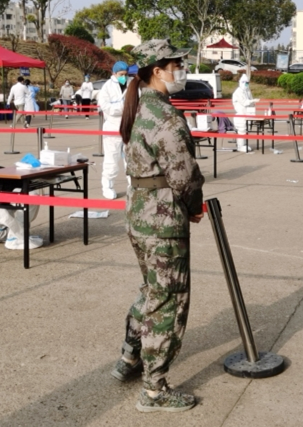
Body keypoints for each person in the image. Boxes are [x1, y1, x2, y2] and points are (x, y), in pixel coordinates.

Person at [113, 38, 204, 413]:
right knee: (168, 299)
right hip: (164, 218)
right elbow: (184, 176)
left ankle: (130, 357)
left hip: (140, 212)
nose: (180, 69)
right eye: (176, 64)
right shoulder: (165, 117)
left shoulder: (138, 107)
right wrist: (194, 206)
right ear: (157, 70)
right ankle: (154, 390)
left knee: (152, 288)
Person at [98, 61, 129, 200]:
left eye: (126, 74)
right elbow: (106, 107)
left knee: (132, 159)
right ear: (114, 73)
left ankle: (133, 186)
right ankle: (107, 186)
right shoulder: (107, 87)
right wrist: (124, 106)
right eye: (121, 74)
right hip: (112, 127)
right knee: (112, 159)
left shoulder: (132, 85)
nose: (124, 77)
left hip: (129, 127)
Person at [232, 74, 260, 152]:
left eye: (247, 83)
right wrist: (253, 101)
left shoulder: (247, 91)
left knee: (245, 131)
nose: (246, 85)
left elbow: (250, 100)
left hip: (247, 114)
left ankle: (243, 145)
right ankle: (240, 146)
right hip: (240, 115)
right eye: (245, 83)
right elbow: (244, 102)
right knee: (242, 131)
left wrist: (253, 102)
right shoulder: (238, 92)